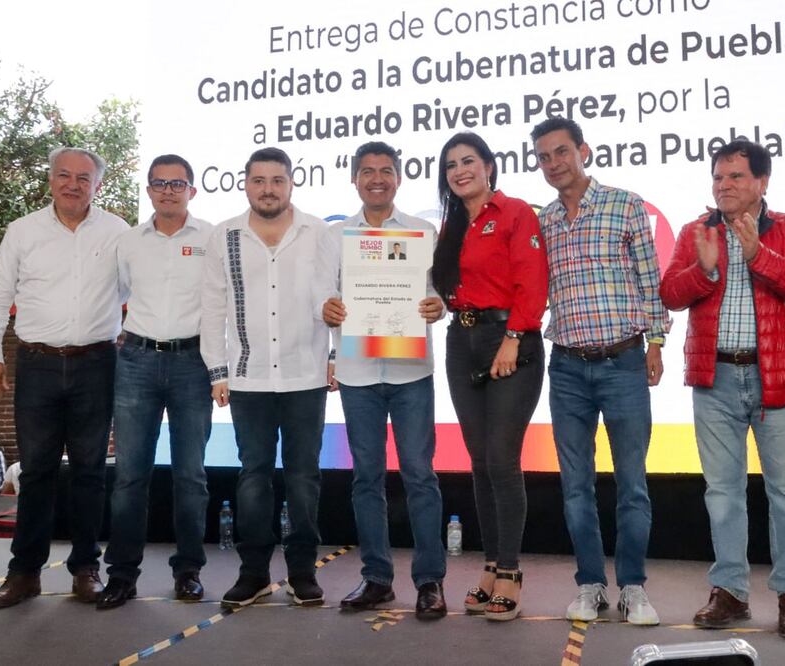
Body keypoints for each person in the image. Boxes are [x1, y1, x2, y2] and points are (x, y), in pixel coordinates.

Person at [660, 140, 785, 639]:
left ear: (762, 182)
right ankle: (730, 591)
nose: (724, 185)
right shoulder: (695, 232)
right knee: (723, 493)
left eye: (735, 177)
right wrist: (705, 269)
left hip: (778, 377)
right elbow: (669, 294)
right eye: (718, 177)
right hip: (716, 378)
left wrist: (757, 255)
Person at [531, 117, 669, 626]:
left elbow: (650, 281)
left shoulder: (625, 205)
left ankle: (633, 586)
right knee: (575, 486)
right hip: (566, 367)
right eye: (544, 157)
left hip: (624, 361)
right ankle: (590, 584)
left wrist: (655, 342)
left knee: (632, 483)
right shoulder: (543, 220)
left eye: (561, 152)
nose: (553, 163)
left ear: (583, 151)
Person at [0, 147, 128, 609]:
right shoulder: (22, 232)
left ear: (97, 185)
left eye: (84, 178)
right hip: (37, 364)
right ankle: (24, 573)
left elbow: (142, 289)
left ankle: (86, 569)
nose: (73, 184)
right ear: (51, 180)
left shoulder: (118, 232)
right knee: (37, 472)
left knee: (89, 472)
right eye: (64, 175)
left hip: (96, 364)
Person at [201, 147, 335, 608]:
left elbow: (335, 298)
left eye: (277, 180)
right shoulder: (226, 235)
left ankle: (302, 573)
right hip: (248, 379)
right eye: (259, 180)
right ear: (246, 184)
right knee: (253, 477)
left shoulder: (319, 232)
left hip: (306, 376)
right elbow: (213, 307)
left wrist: (336, 355)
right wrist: (218, 372)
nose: (268, 189)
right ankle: (253, 573)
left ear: (291, 183)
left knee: (303, 478)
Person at [322, 141, 447, 620]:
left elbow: (438, 293)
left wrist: (439, 305)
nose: (377, 178)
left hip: (411, 371)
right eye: (368, 171)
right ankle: (376, 579)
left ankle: (429, 580)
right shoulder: (336, 238)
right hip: (356, 372)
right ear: (355, 179)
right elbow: (323, 293)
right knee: (366, 479)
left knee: (420, 475)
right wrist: (326, 306)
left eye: (386, 171)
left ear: (399, 178)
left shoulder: (422, 232)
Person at [431, 131, 548, 622]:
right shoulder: (451, 224)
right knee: (479, 461)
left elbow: (533, 280)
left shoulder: (517, 212)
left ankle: (511, 572)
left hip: (510, 340)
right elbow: (449, 290)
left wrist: (515, 336)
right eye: (451, 164)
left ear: (489, 167)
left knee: (502, 458)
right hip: (462, 341)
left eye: (469, 161)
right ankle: (490, 566)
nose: (460, 170)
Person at [96, 155, 214, 610]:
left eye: (177, 183)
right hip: (137, 362)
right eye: (159, 183)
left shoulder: (211, 238)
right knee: (129, 476)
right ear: (148, 191)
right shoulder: (128, 243)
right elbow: (119, 294)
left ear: (192, 190)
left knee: (191, 476)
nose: (168, 190)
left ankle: (189, 572)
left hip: (193, 363)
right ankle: (122, 575)